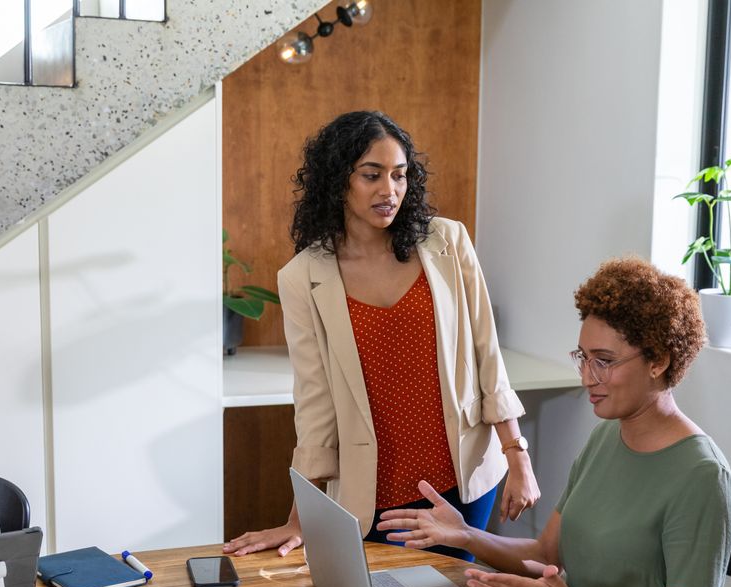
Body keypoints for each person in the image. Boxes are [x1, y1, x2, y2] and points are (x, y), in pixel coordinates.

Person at [376, 257, 731, 587]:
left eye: (604, 362)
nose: (587, 377)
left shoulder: (702, 477)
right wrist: (467, 536)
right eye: (583, 358)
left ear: (660, 361)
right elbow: (549, 553)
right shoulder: (608, 435)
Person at [223, 110, 539, 560]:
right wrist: (300, 518)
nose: (389, 191)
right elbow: (315, 405)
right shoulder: (302, 278)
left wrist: (517, 456)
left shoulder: (448, 242)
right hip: (372, 492)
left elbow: (487, 356)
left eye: (399, 175)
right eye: (371, 175)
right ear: (338, 181)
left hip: (462, 479)